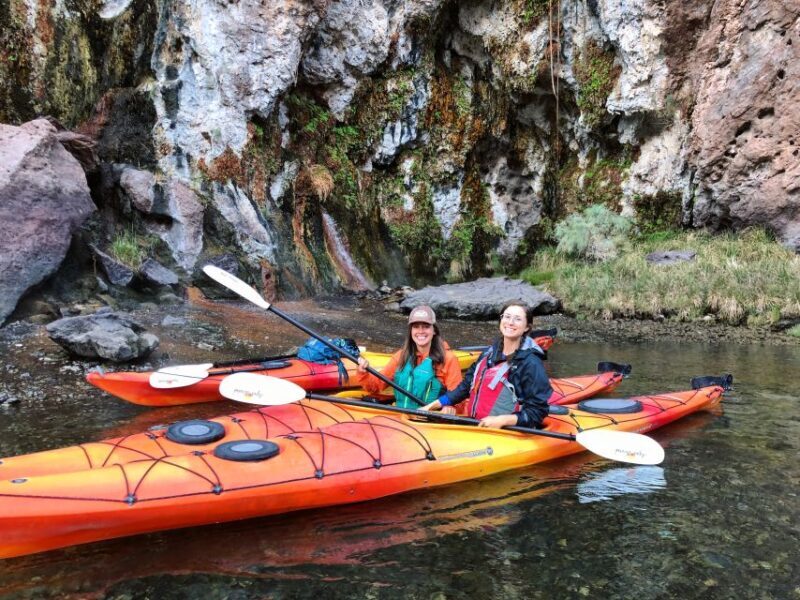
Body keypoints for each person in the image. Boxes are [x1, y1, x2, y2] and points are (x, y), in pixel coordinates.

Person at [421, 301, 552, 429]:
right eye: (507, 317)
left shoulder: (531, 363)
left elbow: (538, 411)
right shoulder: (488, 354)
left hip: (506, 433)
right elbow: (465, 387)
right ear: (501, 320)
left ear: (527, 327)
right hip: (479, 426)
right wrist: (433, 405)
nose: (510, 322)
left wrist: (503, 420)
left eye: (517, 319)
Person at [356, 305, 463, 411]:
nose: (420, 331)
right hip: (400, 415)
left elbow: (459, 398)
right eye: (416, 326)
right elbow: (375, 387)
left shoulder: (448, 359)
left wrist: (450, 407)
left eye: (426, 326)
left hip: (429, 418)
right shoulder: (401, 356)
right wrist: (363, 373)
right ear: (411, 331)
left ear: (434, 330)